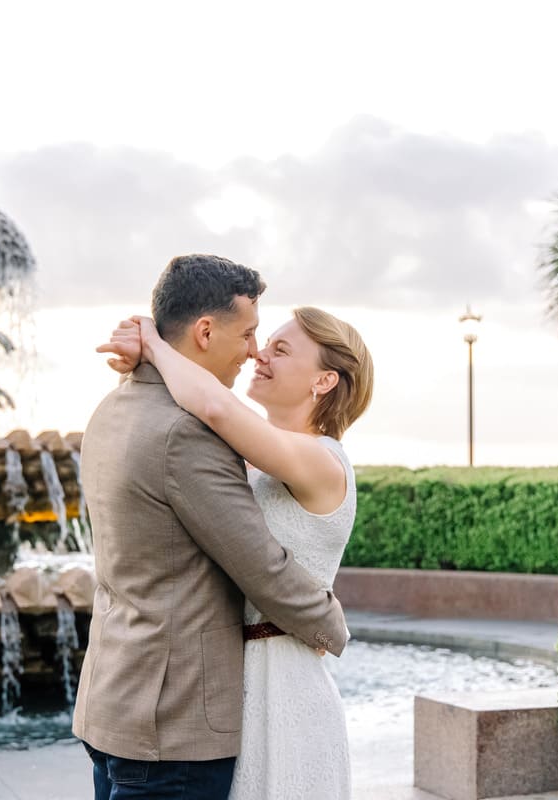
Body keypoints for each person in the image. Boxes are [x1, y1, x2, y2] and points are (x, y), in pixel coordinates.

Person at [72, 254, 350, 800]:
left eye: (272, 345)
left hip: (117, 701)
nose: (255, 351)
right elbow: (260, 565)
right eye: (250, 334)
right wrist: (332, 624)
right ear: (205, 331)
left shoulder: (113, 407)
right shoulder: (187, 433)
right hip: (171, 723)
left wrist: (148, 342)